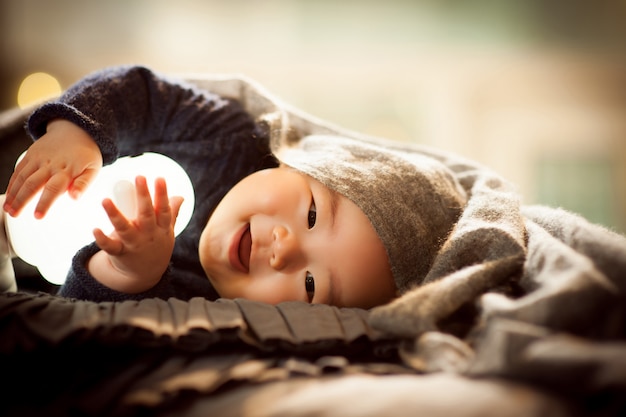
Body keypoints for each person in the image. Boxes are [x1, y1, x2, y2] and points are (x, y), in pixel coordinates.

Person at [1, 65, 466, 308]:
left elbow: (79, 316)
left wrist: (130, 274)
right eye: (311, 215)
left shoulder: (200, 303)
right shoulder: (226, 135)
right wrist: (77, 134)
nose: (284, 251)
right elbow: (138, 90)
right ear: (298, 164)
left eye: (309, 284)